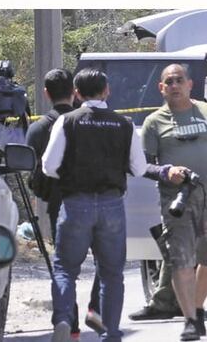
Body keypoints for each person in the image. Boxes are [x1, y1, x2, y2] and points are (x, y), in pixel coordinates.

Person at [42, 68, 164, 342]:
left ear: (76, 93)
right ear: (106, 91)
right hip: (111, 204)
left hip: (75, 203)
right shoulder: (123, 124)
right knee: (111, 274)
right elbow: (139, 166)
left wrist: (73, 176)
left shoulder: (67, 122)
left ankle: (62, 319)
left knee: (65, 269)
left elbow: (49, 166)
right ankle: (110, 332)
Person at [141, 64, 207, 341]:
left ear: (189, 84)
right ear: (161, 88)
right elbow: (142, 166)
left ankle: (197, 307)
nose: (174, 85)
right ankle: (190, 320)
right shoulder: (154, 122)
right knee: (181, 260)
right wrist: (165, 172)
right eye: (168, 82)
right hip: (177, 202)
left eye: (178, 80)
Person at [25, 68, 104, 338]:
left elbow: (34, 171)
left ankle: (69, 323)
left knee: (65, 268)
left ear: (46, 93)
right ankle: (97, 308)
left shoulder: (37, 129)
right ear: (74, 91)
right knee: (106, 260)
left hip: (61, 204)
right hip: (99, 200)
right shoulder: (89, 122)